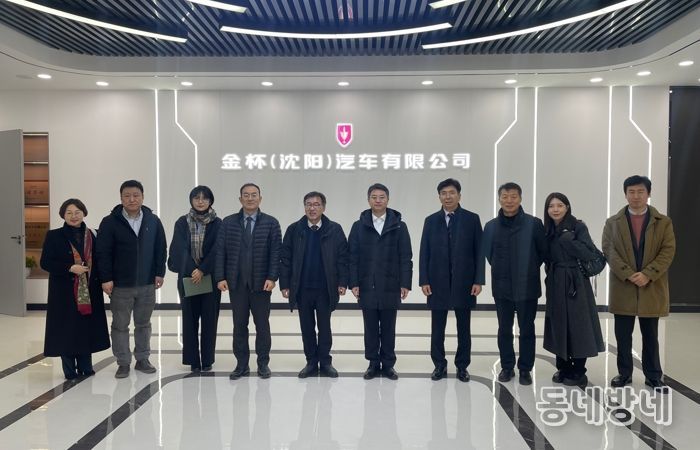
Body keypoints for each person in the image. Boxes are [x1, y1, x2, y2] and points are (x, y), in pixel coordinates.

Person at [602, 175, 675, 390]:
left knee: (651, 336)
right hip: (623, 285)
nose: (636, 196)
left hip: (651, 286)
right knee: (622, 336)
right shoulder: (612, 222)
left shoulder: (663, 222)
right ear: (625, 194)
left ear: (648, 193)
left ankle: (653, 376)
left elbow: (668, 250)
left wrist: (648, 274)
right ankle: (624, 374)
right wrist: (628, 273)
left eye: (640, 191)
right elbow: (609, 249)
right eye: (631, 192)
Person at [96, 180, 167, 379]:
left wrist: (159, 272)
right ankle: (123, 362)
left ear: (142, 197)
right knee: (120, 325)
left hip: (147, 283)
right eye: (127, 196)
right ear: (121, 198)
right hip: (120, 285)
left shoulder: (153, 221)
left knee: (143, 324)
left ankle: (142, 359)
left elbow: (161, 248)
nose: (132, 199)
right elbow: (103, 252)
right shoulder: (109, 222)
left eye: (136, 195)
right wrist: (106, 278)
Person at [419, 178, 484, 382]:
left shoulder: (472, 219)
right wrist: (424, 280)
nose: (448, 197)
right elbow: (424, 252)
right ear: (439, 196)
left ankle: (462, 366)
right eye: (444, 193)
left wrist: (478, 280)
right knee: (437, 329)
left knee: (464, 328)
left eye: (452, 193)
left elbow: (479, 252)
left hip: (464, 282)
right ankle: (439, 364)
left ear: (459, 195)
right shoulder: (431, 220)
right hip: (437, 282)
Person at [215, 183, 281, 380]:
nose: (250, 198)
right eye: (246, 195)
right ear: (240, 199)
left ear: (260, 198)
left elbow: (276, 253)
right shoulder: (228, 223)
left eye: (254, 195)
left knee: (262, 326)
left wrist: (272, 277)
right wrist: (220, 277)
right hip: (237, 285)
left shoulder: (271, 223)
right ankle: (241, 364)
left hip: (261, 285)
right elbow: (220, 252)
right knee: (239, 326)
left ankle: (263, 364)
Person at [482, 182, 546, 385]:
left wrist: (527, 268)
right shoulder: (491, 226)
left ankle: (525, 368)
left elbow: (542, 253)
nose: (509, 201)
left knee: (527, 329)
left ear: (520, 198)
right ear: (499, 199)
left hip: (528, 286)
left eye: (513, 196)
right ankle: (507, 366)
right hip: (502, 286)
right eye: (505, 196)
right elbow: (489, 255)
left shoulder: (534, 224)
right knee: (504, 329)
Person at [280, 191, 349, 378]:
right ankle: (311, 361)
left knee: (325, 327)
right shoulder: (294, 230)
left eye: (316, 204)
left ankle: (325, 362)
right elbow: (285, 259)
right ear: (304, 207)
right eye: (309, 204)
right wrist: (285, 284)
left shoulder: (334, 229)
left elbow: (343, 258)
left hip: (325, 288)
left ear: (323, 207)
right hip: (302, 288)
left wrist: (343, 282)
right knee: (307, 327)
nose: (312, 208)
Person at [349, 183, 412, 380]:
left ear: (388, 200)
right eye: (374, 197)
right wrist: (354, 283)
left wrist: (405, 283)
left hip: (390, 285)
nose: (378, 200)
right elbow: (352, 257)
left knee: (388, 327)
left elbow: (405, 257)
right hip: (366, 284)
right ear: (368, 200)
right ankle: (373, 363)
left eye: (382, 197)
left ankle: (388, 364)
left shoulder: (399, 226)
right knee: (370, 328)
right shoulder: (358, 226)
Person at [41, 199, 110, 379]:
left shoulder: (94, 234)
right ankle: (69, 370)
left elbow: (102, 259)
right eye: (69, 213)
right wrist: (70, 267)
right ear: (63, 215)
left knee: (86, 328)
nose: (74, 216)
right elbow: (45, 262)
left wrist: (106, 281)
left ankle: (86, 366)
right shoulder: (54, 235)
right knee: (67, 329)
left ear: (84, 213)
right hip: (64, 292)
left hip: (90, 290)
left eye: (77, 212)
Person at [542, 192, 605, 387]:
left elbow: (589, 253)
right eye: (551, 206)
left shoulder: (578, 226)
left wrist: (569, 241)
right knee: (558, 323)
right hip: (555, 281)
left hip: (575, 281)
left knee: (579, 324)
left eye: (559, 205)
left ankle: (578, 370)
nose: (555, 209)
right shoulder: (547, 229)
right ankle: (563, 367)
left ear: (567, 207)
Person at [168, 186, 223, 373]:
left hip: (210, 278)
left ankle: (207, 359)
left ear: (210, 201)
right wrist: (193, 270)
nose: (200, 201)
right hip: (188, 277)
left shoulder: (218, 223)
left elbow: (218, 249)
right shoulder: (182, 222)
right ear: (191, 200)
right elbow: (178, 248)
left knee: (209, 320)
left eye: (204, 198)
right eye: (196, 198)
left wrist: (202, 269)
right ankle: (192, 360)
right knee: (189, 320)